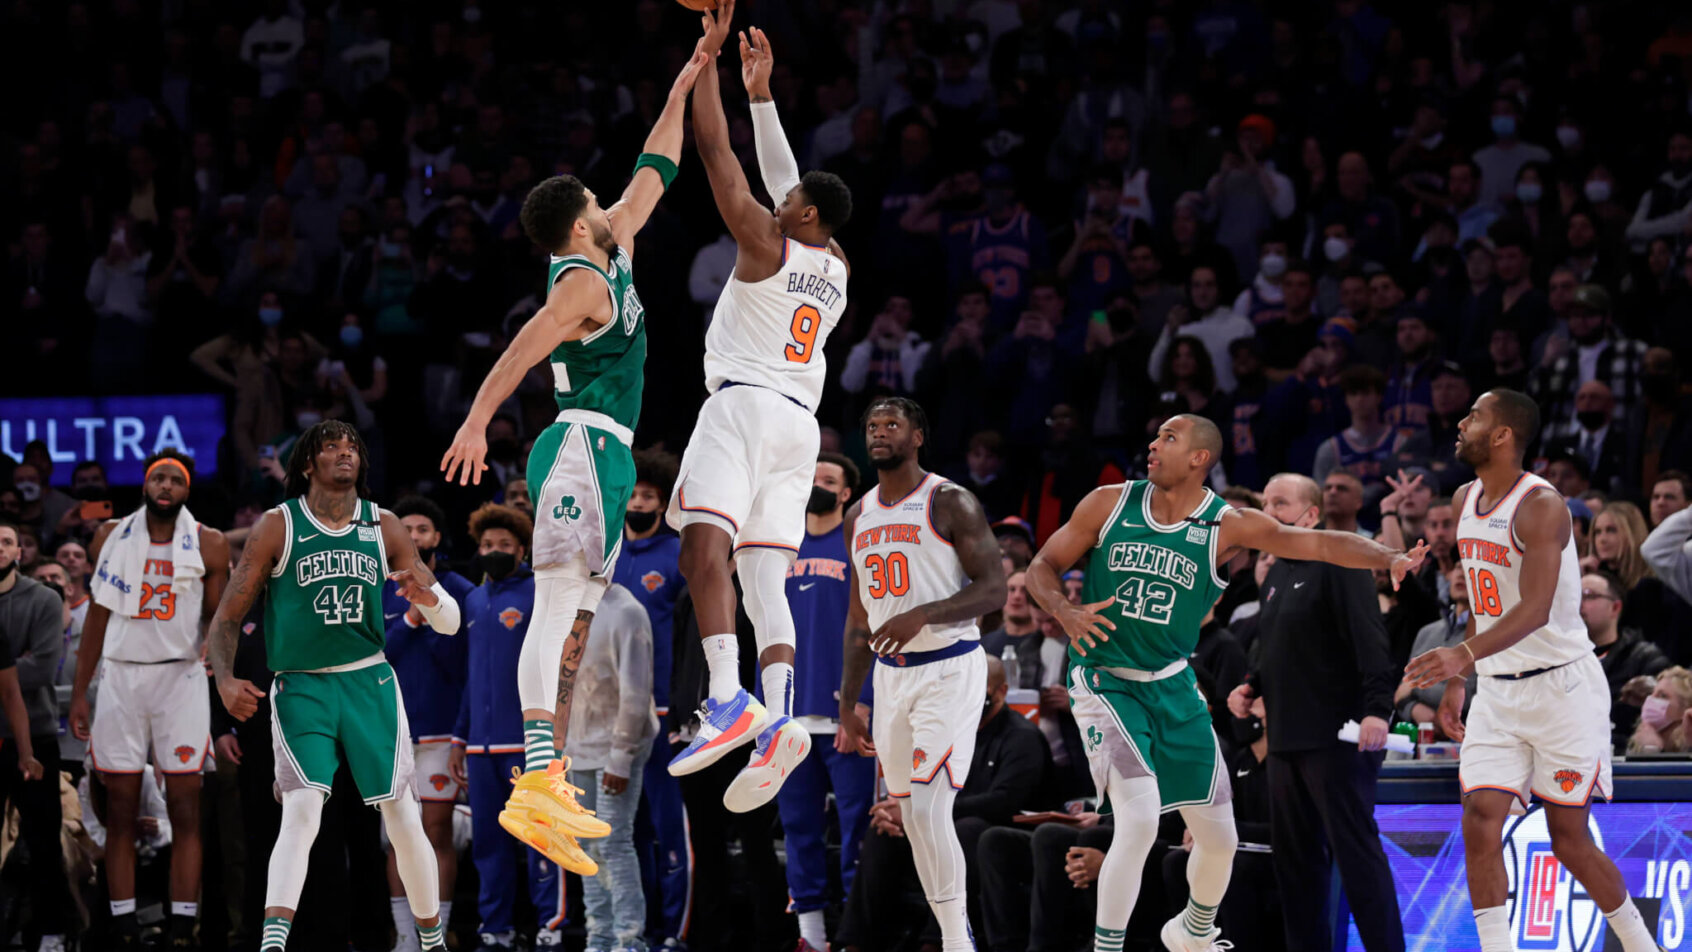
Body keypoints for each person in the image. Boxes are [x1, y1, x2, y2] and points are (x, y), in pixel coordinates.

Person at [437, 44, 707, 864]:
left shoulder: (612, 244)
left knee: (575, 623)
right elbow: (522, 349)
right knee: (554, 608)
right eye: (598, 198)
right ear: (580, 222)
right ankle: (537, 777)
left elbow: (657, 166)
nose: (610, 199)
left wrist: (690, 75)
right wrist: (478, 422)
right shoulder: (577, 284)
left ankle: (544, 780)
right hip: (581, 448)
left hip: (610, 455)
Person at [1025, 413, 1425, 952]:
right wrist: (1063, 610)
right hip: (1105, 679)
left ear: (1199, 459)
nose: (1153, 442)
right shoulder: (1108, 502)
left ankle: (1192, 930)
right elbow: (1041, 565)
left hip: (1172, 682)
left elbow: (1325, 545)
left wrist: (1389, 556)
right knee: (1139, 818)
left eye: (1168, 437)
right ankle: (1107, 947)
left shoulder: (1226, 525)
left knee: (1221, 840)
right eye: (1156, 433)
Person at [664, 6, 857, 813]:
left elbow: (716, 155)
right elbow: (789, 184)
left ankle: (725, 697)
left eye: (791, 202)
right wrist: (764, 96)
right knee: (762, 579)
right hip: (799, 427)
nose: (779, 201)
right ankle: (778, 717)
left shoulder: (761, 241)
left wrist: (705, 61)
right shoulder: (835, 262)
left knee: (700, 554)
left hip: (741, 409)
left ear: (801, 215)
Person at [1405, 389, 1662, 952]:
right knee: (1479, 816)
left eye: (1474, 416)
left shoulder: (1542, 505)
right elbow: (1483, 599)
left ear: (1501, 436)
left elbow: (1535, 606)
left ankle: (1643, 946)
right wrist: (1458, 683)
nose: (1461, 422)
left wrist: (1460, 657)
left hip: (1561, 688)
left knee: (1568, 839)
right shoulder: (1463, 498)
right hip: (1496, 689)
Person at [206, 421, 464, 952]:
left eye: (352, 448)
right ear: (307, 463)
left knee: (401, 812)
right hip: (302, 686)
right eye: (332, 447)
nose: (345, 454)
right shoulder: (279, 525)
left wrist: (429, 598)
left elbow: (452, 622)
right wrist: (226, 681)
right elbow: (228, 616)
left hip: (369, 680)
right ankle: (273, 942)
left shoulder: (385, 525)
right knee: (301, 811)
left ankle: (431, 938)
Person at [832, 397, 1007, 952]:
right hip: (891, 678)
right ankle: (957, 935)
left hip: (949, 667)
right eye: (872, 426)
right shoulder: (858, 515)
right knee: (911, 815)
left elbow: (995, 589)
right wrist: (847, 705)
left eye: (892, 425)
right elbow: (859, 621)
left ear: (917, 437)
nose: (879, 433)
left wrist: (924, 614)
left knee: (931, 809)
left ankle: (957, 939)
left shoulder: (949, 500)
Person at [1225, 474, 1405, 952]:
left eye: (1279, 503)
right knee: (1297, 869)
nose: (1266, 511)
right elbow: (1279, 646)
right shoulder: (1277, 571)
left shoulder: (1341, 559)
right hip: (1286, 740)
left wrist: (1377, 711)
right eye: (1263, 502)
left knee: (1357, 858)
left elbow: (1372, 642)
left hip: (1338, 738)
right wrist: (1251, 686)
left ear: (1310, 515)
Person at [68, 450, 230, 950]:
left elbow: (219, 622)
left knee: (185, 808)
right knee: (119, 809)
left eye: (174, 480)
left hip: (179, 679)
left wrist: (217, 660)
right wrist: (79, 693)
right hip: (120, 678)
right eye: (156, 477)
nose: (164, 486)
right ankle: (124, 926)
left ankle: (183, 927)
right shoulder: (109, 534)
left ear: (186, 491)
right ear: (143, 485)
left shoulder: (211, 543)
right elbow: (95, 618)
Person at [448, 504, 565, 951]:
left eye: (503, 545)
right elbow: (471, 676)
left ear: (522, 549)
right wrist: (461, 738)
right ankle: (495, 929)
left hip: (528, 742)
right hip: (480, 748)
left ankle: (550, 927)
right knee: (488, 847)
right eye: (486, 545)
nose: (494, 551)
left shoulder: (540, 593)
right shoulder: (474, 600)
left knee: (540, 838)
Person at [777, 451, 875, 952]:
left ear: (845, 494)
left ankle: (856, 934)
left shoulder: (858, 546)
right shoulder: (779, 546)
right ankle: (811, 937)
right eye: (811, 476)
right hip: (789, 716)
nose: (817, 484)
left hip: (847, 714)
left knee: (860, 827)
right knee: (798, 828)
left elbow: (875, 633)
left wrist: (863, 704)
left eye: (829, 480)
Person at [382, 496, 475, 952]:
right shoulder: (376, 589)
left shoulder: (461, 588)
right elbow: (379, 655)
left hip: (441, 731)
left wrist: (433, 609)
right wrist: (412, 617)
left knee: (436, 833)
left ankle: (436, 935)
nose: (415, 537)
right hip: (389, 732)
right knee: (396, 837)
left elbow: (464, 665)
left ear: (437, 537)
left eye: (423, 529)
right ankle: (404, 938)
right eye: (407, 529)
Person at [610, 448, 690, 942]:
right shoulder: (605, 554)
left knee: (670, 829)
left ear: (662, 502)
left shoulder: (680, 552)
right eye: (633, 494)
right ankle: (629, 931)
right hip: (611, 717)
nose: (639, 502)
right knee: (620, 835)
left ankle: (675, 933)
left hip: (665, 711)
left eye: (649, 495)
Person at [564, 583, 658, 952]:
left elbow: (636, 691)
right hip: (577, 746)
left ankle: (628, 939)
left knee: (614, 841)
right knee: (586, 844)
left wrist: (621, 757)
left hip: (617, 746)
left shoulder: (625, 611)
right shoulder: (563, 608)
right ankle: (599, 937)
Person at [0, 517, 71, 952]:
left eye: (6, 541)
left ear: (19, 551)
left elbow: (43, 668)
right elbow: (21, 669)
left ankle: (52, 930)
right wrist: (13, 666)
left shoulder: (43, 598)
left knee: (45, 841)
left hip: (36, 735)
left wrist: (14, 670)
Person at [1582, 570, 1670, 752]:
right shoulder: (1560, 659)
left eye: (1588, 596)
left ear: (1615, 608)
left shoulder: (1644, 658)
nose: (1578, 603)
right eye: (1575, 596)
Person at [1398, 565, 1476, 735]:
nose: (1462, 574)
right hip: (1420, 740)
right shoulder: (1427, 632)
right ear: (1448, 576)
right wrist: (1414, 709)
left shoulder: (1487, 636)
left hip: (1467, 738)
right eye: (1457, 568)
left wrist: (1415, 688)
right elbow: (1399, 697)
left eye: (1469, 568)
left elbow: (1470, 697)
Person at [1627, 667, 1692, 755]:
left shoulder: (1688, 748)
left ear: (1685, 708)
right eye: (1652, 693)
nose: (1650, 700)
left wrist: (1651, 750)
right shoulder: (1638, 741)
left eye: (1662, 696)